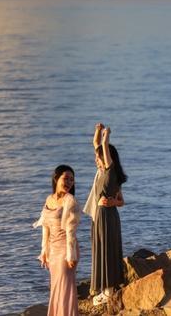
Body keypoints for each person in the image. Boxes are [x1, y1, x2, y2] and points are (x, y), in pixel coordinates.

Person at [87, 124, 126, 306]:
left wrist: (107, 134)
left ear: (107, 157)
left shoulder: (111, 173)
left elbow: (102, 146)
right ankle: (105, 289)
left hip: (107, 216)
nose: (96, 159)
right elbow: (121, 201)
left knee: (108, 250)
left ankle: (109, 291)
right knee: (100, 249)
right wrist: (98, 130)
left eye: (98, 156)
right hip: (101, 215)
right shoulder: (102, 173)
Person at [35, 165, 80, 316]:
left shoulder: (70, 201)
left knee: (65, 290)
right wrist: (44, 251)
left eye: (72, 180)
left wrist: (71, 255)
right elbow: (45, 227)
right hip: (53, 252)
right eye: (66, 178)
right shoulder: (49, 199)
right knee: (55, 288)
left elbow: (71, 231)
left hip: (66, 251)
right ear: (56, 178)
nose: (69, 182)